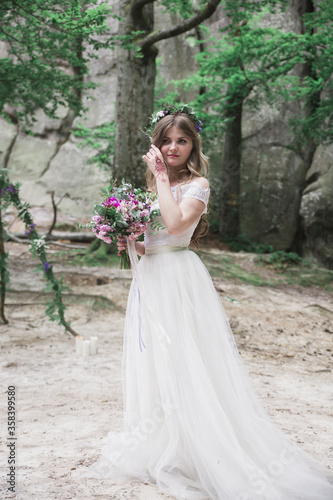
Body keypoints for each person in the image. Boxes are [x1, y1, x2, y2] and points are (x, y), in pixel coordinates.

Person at [85, 107, 333, 499]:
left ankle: (208, 449)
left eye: (181, 141)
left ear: (192, 145)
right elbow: (155, 243)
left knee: (187, 360)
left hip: (181, 282)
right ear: (157, 144)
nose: (172, 147)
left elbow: (176, 227)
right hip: (151, 281)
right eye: (165, 140)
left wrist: (163, 181)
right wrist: (127, 241)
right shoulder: (154, 189)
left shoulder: (198, 186)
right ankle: (170, 445)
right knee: (157, 362)